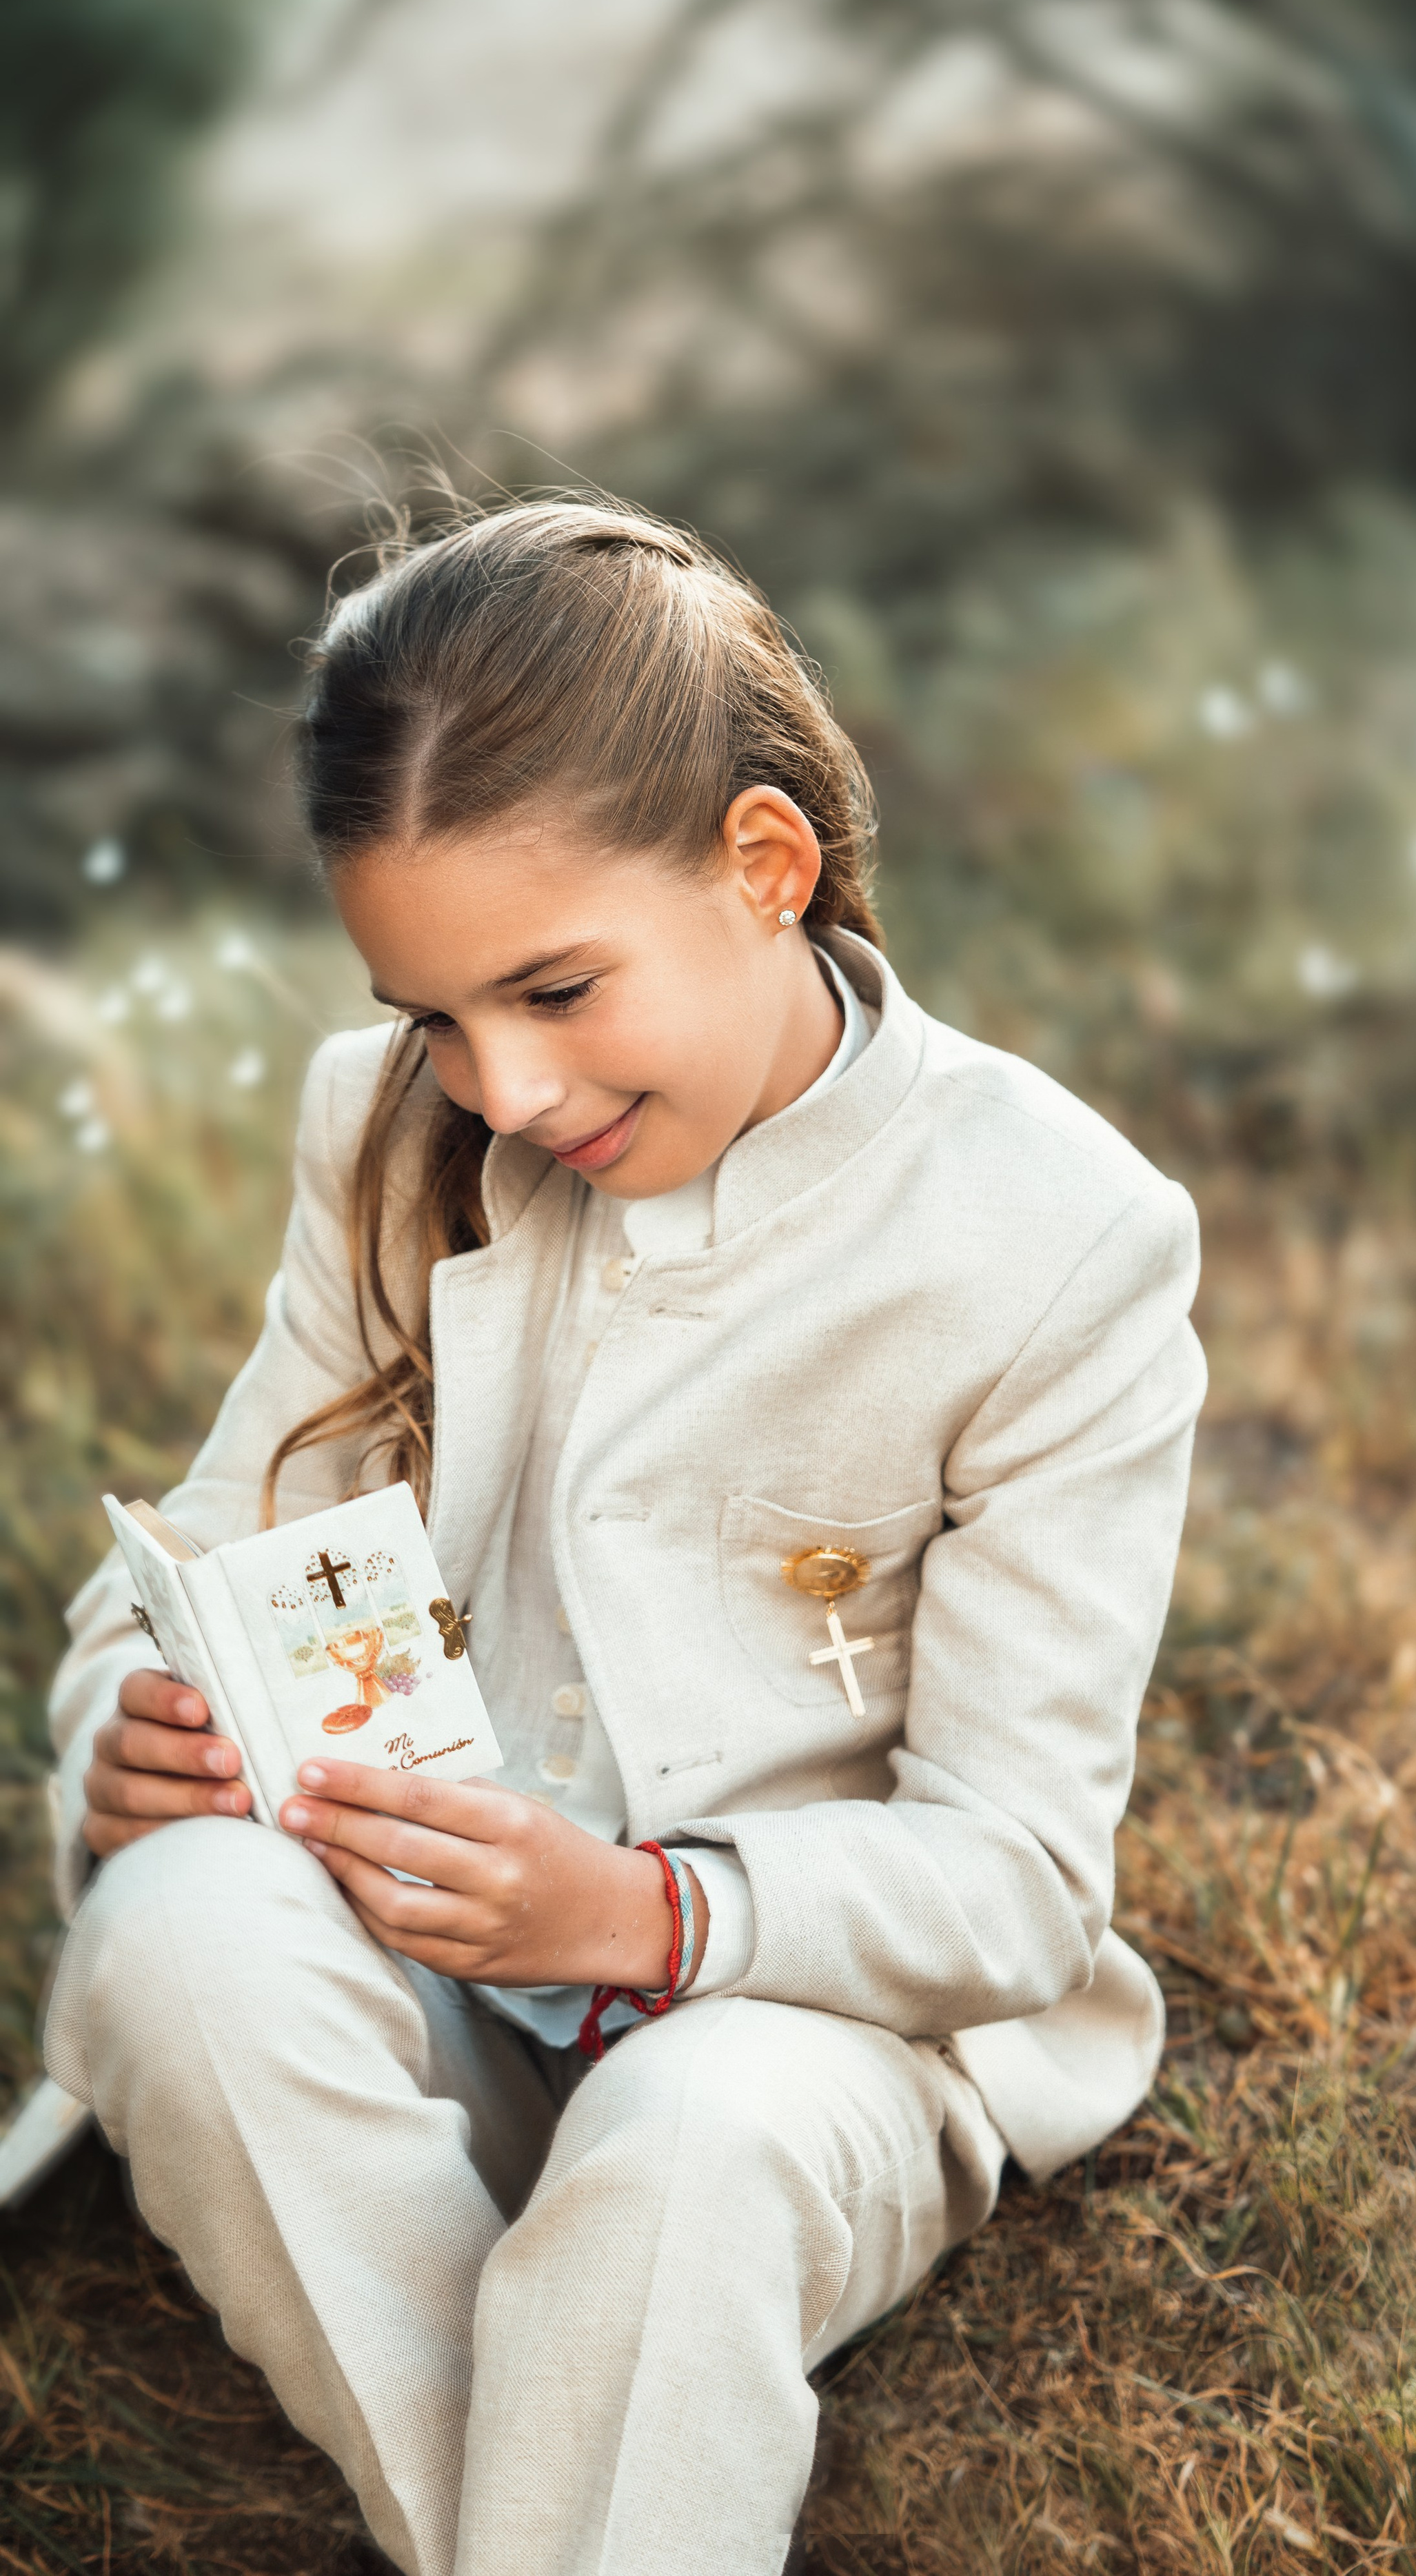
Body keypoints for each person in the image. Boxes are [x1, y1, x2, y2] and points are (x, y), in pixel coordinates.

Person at [43, 500, 1206, 2576]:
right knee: (169, 1941)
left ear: (766, 868)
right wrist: (129, 1725)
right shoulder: (387, 1132)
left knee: (681, 2156)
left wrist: (649, 1917)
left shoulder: (1056, 1245)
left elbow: (1019, 1882)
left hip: (794, 2034)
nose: (498, 1089)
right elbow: (210, 1543)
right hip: (435, 1968)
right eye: (432, 1019)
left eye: (557, 989)